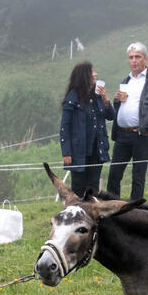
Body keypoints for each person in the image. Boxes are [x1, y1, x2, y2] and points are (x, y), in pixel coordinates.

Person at [106, 42, 148, 202]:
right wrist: (117, 100)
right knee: (114, 175)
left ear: (145, 59)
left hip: (141, 135)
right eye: (131, 57)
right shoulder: (125, 81)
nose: (134, 61)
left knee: (138, 177)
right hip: (122, 135)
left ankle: (136, 213)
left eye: (137, 57)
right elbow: (121, 107)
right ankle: (112, 211)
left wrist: (147, 127)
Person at [60, 62, 115, 198]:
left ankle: (92, 215)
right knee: (78, 187)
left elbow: (111, 116)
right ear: (84, 76)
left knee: (93, 187)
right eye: (92, 72)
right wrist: (66, 152)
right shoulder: (72, 99)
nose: (95, 74)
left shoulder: (98, 96)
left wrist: (106, 100)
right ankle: (76, 215)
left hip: (97, 149)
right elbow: (64, 127)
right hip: (79, 151)